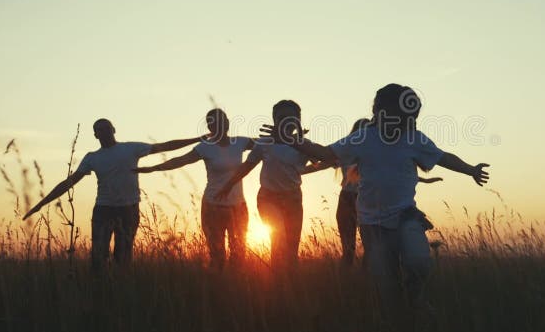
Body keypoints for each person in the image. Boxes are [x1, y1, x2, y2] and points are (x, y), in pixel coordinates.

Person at [261, 84, 489, 319]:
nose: (405, 119)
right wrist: (292, 141)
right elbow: (326, 154)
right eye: (400, 112)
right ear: (381, 111)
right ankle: (397, 323)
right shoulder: (363, 138)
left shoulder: (413, 138)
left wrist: (470, 169)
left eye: (409, 114)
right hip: (372, 223)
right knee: (385, 284)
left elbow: (442, 157)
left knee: (419, 261)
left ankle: (415, 297)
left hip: (406, 215)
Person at [23, 118, 202, 272]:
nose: (103, 131)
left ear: (113, 129)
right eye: (99, 129)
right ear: (95, 135)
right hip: (103, 210)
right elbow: (69, 182)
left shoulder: (131, 149)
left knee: (123, 256)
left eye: (106, 127)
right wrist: (41, 203)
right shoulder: (92, 157)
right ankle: (99, 291)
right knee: (98, 256)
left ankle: (121, 291)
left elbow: (165, 146)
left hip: (128, 209)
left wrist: (198, 139)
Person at [306, 117, 444, 266]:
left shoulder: (375, 152)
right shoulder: (348, 152)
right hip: (348, 199)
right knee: (348, 249)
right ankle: (347, 284)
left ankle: (369, 283)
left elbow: (393, 173)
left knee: (372, 251)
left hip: (370, 201)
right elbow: (322, 164)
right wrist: (298, 171)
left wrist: (420, 179)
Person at [134, 109, 254, 269]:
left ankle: (236, 289)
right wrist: (154, 168)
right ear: (209, 127)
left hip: (238, 206)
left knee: (239, 254)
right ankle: (217, 289)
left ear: (227, 123)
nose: (218, 125)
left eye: (221, 120)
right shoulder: (205, 147)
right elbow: (181, 160)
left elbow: (269, 143)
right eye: (213, 122)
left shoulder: (240, 142)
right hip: (212, 207)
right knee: (217, 256)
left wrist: (293, 137)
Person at [215, 100, 314, 268]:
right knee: (278, 237)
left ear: (298, 120)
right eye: (282, 117)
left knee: (292, 248)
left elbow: (321, 160)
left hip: (294, 199)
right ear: (274, 120)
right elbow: (247, 166)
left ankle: (290, 285)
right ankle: (277, 280)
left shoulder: (303, 144)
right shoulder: (265, 143)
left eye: (292, 118)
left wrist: (299, 140)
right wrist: (228, 185)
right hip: (269, 198)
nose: (286, 122)